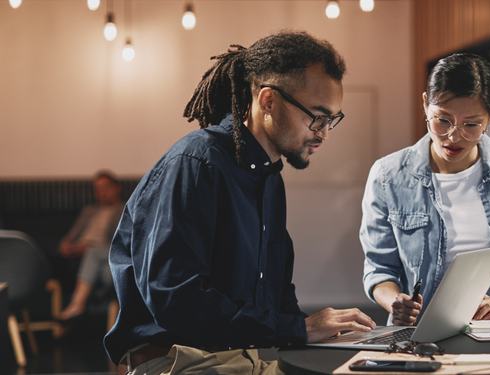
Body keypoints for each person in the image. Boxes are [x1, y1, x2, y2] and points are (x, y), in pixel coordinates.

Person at [104, 30, 376, 375]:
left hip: (240, 359)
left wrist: (334, 332)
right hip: (176, 361)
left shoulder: (269, 179)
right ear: (268, 101)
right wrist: (297, 329)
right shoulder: (196, 164)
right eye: (317, 116)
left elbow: (278, 297)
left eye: (331, 120)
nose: (323, 131)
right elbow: (177, 301)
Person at [360, 53, 490, 326]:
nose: (454, 136)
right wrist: (395, 303)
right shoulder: (387, 175)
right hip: (419, 333)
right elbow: (379, 269)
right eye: (442, 120)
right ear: (426, 105)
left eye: (471, 124)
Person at [58, 171, 124, 321]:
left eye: (106, 187)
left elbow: (122, 244)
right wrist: (66, 245)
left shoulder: (124, 211)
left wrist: (90, 247)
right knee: (107, 273)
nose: (102, 192)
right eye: (98, 189)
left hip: (107, 253)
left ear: (117, 188)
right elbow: (69, 237)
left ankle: (77, 304)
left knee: (95, 253)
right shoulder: (88, 211)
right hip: (80, 257)